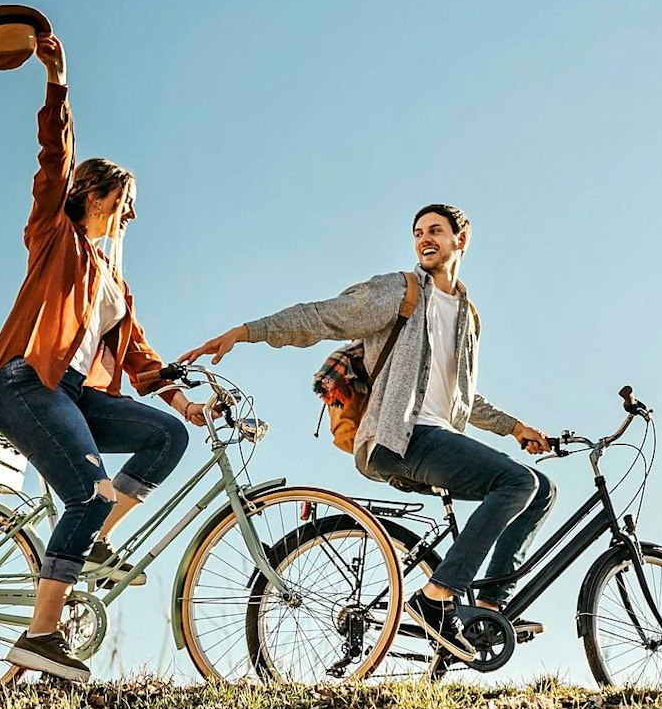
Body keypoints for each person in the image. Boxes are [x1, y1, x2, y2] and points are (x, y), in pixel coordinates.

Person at [181, 203, 554, 659]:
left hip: (439, 437)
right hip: (399, 437)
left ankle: (490, 611)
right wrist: (246, 332)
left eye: (436, 230)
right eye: (419, 232)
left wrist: (515, 427)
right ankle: (437, 597)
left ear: (461, 240)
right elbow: (323, 315)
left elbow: (463, 398)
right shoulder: (400, 292)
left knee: (542, 489)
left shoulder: (467, 316)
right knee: (518, 481)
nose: (425, 239)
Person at [0, 32, 211, 682]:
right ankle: (40, 636)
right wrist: (58, 81)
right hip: (27, 383)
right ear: (102, 193)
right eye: (126, 201)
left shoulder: (113, 276)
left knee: (167, 434)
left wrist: (186, 400)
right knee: (87, 492)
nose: (132, 214)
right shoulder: (54, 234)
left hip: (74, 395)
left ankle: (97, 531)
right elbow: (56, 156)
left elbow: (137, 356)